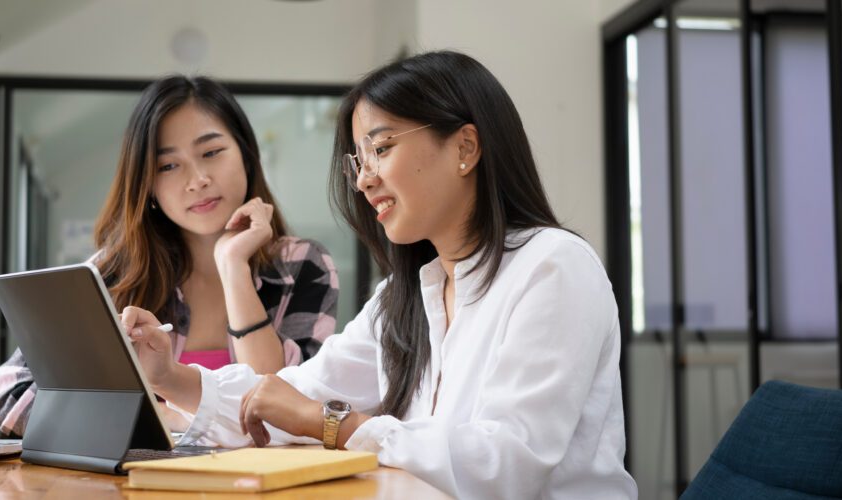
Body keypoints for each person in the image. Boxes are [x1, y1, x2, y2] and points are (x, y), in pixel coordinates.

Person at [123, 52, 637, 499]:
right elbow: (294, 395)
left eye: (382, 148)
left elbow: (504, 468)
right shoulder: (406, 293)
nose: (365, 179)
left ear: (465, 148)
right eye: (359, 159)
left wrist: (333, 425)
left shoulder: (553, 267)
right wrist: (169, 376)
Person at [0, 75, 339, 437]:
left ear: (247, 156)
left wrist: (233, 266)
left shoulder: (304, 266)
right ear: (148, 186)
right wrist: (163, 420)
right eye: (168, 166)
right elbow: (5, 396)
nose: (197, 179)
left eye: (211, 152)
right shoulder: (114, 274)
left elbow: (291, 411)